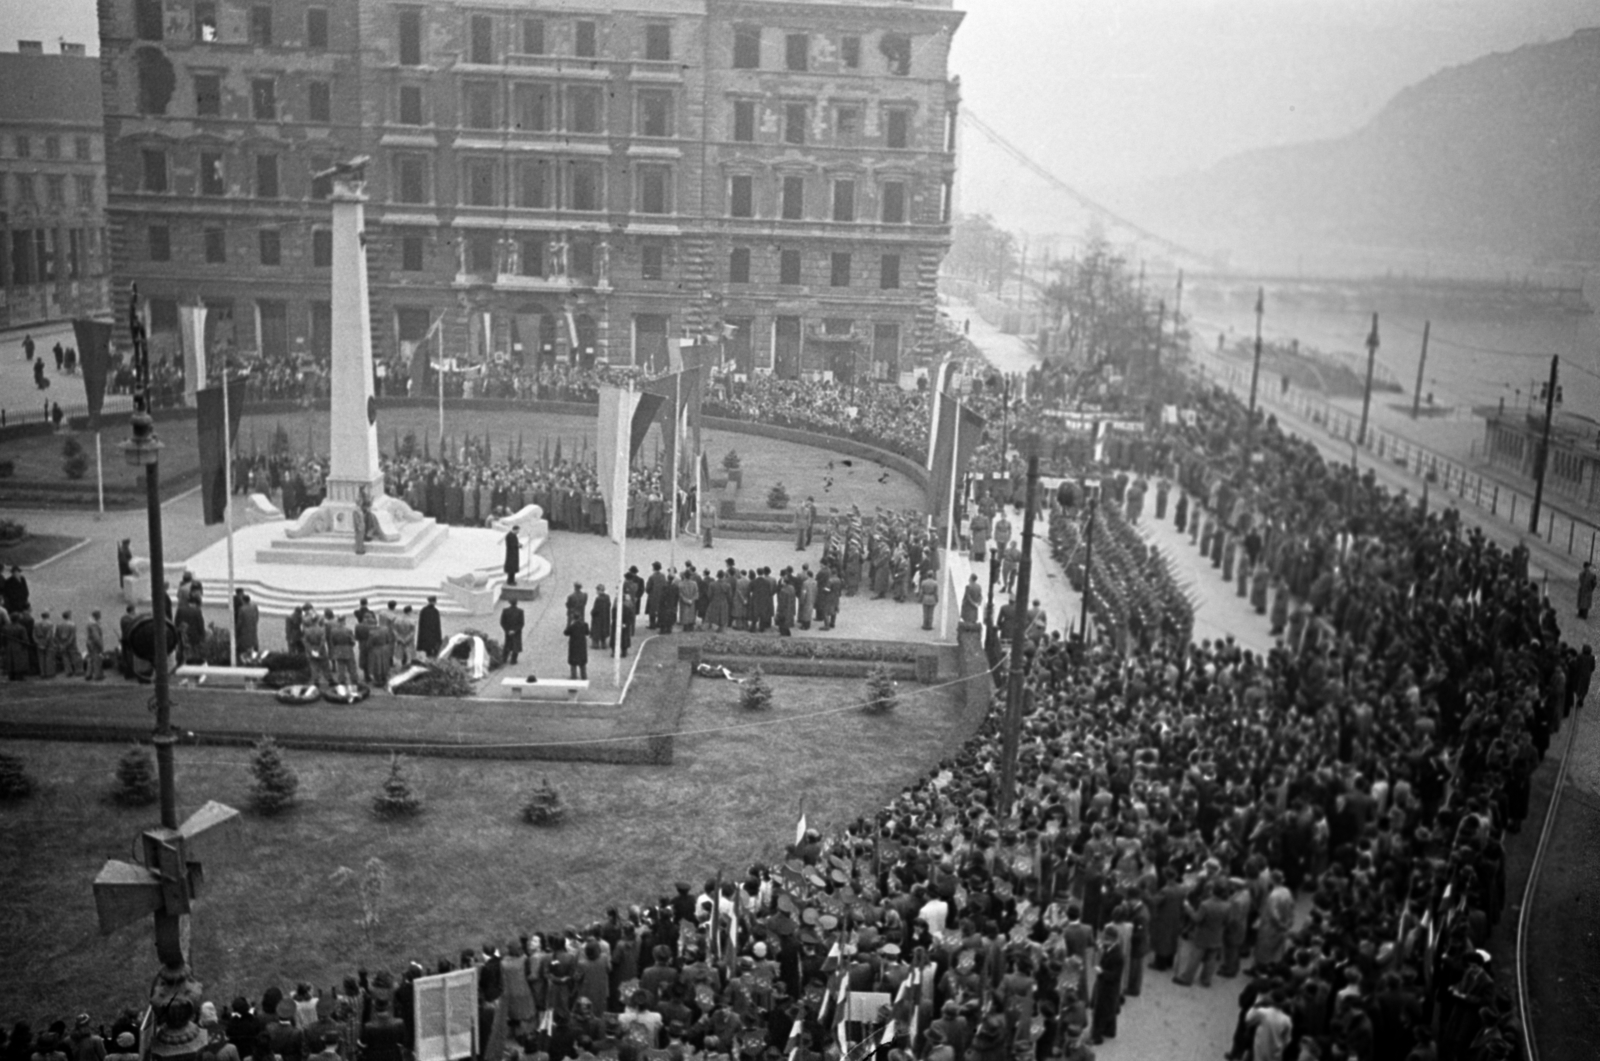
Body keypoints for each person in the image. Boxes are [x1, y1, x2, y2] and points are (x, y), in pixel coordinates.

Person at [564, 613, 590, 680]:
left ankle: (574, 675)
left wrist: (569, 623)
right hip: (582, 645)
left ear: (573, 618)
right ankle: (584, 676)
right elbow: (587, 632)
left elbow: (566, 632)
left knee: (573, 662)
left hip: (574, 645)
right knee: (582, 662)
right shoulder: (585, 625)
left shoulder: (572, 626)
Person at [236, 593, 261, 660]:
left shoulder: (242, 609)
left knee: (245, 645)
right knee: (253, 642)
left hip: (244, 630)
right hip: (253, 627)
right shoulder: (254, 606)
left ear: (243, 600)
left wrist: (237, 630)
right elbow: (257, 616)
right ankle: (255, 655)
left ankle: (246, 658)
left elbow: (240, 622)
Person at [500, 601, 524, 665]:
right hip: (516, 632)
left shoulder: (505, 611)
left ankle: (504, 658)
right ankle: (513, 660)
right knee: (516, 645)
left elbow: (502, 622)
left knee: (507, 644)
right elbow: (521, 623)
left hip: (508, 631)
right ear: (516, 603)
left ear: (509, 603)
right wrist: (515, 630)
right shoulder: (520, 611)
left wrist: (507, 630)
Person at [84, 609, 105, 681]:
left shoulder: (90, 622)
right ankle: (98, 675)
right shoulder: (94, 624)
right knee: (97, 659)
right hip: (94, 644)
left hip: (89, 643)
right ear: (98, 615)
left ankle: (88, 674)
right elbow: (96, 637)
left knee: (90, 658)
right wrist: (101, 646)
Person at [591, 585, 612, 650]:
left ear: (600, 591)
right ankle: (603, 644)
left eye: (597, 590)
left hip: (598, 617)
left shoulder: (598, 599)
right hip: (605, 617)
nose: (596, 592)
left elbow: (595, 609)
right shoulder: (607, 597)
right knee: (604, 630)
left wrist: (592, 612)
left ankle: (596, 644)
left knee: (596, 630)